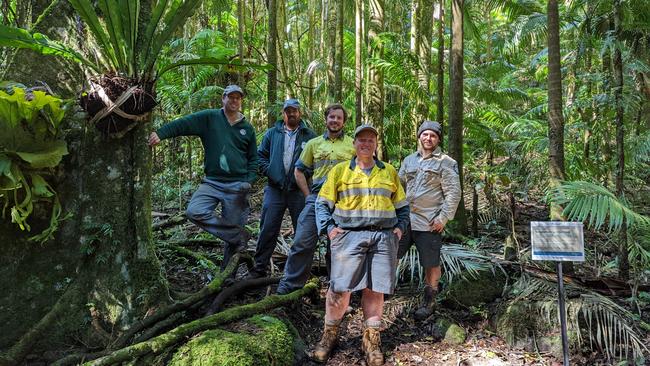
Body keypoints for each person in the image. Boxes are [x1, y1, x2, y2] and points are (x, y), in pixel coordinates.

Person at [312, 124, 410, 365]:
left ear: (376, 144)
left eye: (371, 140)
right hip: (348, 237)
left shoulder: (388, 171)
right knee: (339, 289)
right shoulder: (340, 171)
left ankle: (371, 340)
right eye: (361, 140)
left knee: (375, 288)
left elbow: (403, 207)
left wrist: (398, 230)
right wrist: (329, 229)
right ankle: (329, 335)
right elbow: (322, 203)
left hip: (383, 237)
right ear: (354, 144)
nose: (366, 144)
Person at [148, 84, 257, 269]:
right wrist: (160, 133)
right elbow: (183, 123)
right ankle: (237, 234)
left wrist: (248, 181)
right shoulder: (209, 118)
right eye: (230, 97)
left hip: (237, 185)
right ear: (223, 99)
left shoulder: (247, 127)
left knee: (233, 242)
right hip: (212, 182)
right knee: (195, 211)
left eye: (238, 98)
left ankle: (226, 279)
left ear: (241, 101)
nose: (234, 101)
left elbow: (253, 158)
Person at [275, 103, 356, 295]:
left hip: (344, 202)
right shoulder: (314, 143)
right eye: (332, 117)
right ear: (326, 119)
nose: (335, 120)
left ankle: (338, 290)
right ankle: (289, 287)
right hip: (318, 199)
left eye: (339, 117)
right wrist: (308, 195)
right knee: (303, 240)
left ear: (344, 122)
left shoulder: (353, 145)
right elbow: (299, 170)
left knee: (338, 247)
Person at [397, 120, 461, 320]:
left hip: (429, 222)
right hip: (406, 220)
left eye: (433, 135)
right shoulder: (409, 160)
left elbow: (453, 192)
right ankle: (381, 296)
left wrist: (443, 218)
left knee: (430, 263)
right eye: (425, 134)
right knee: (390, 255)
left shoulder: (446, 162)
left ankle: (429, 301)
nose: (428, 138)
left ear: (438, 139)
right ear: (419, 136)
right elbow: (398, 186)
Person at [248, 99, 316, 278]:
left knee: (302, 230)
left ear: (300, 113)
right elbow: (260, 156)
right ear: (283, 113)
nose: (291, 114)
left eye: (294, 110)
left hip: (298, 190)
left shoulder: (309, 136)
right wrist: (269, 171)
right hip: (274, 189)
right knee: (268, 228)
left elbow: (315, 160)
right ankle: (259, 268)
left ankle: (301, 272)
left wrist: (306, 173)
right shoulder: (272, 133)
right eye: (288, 111)